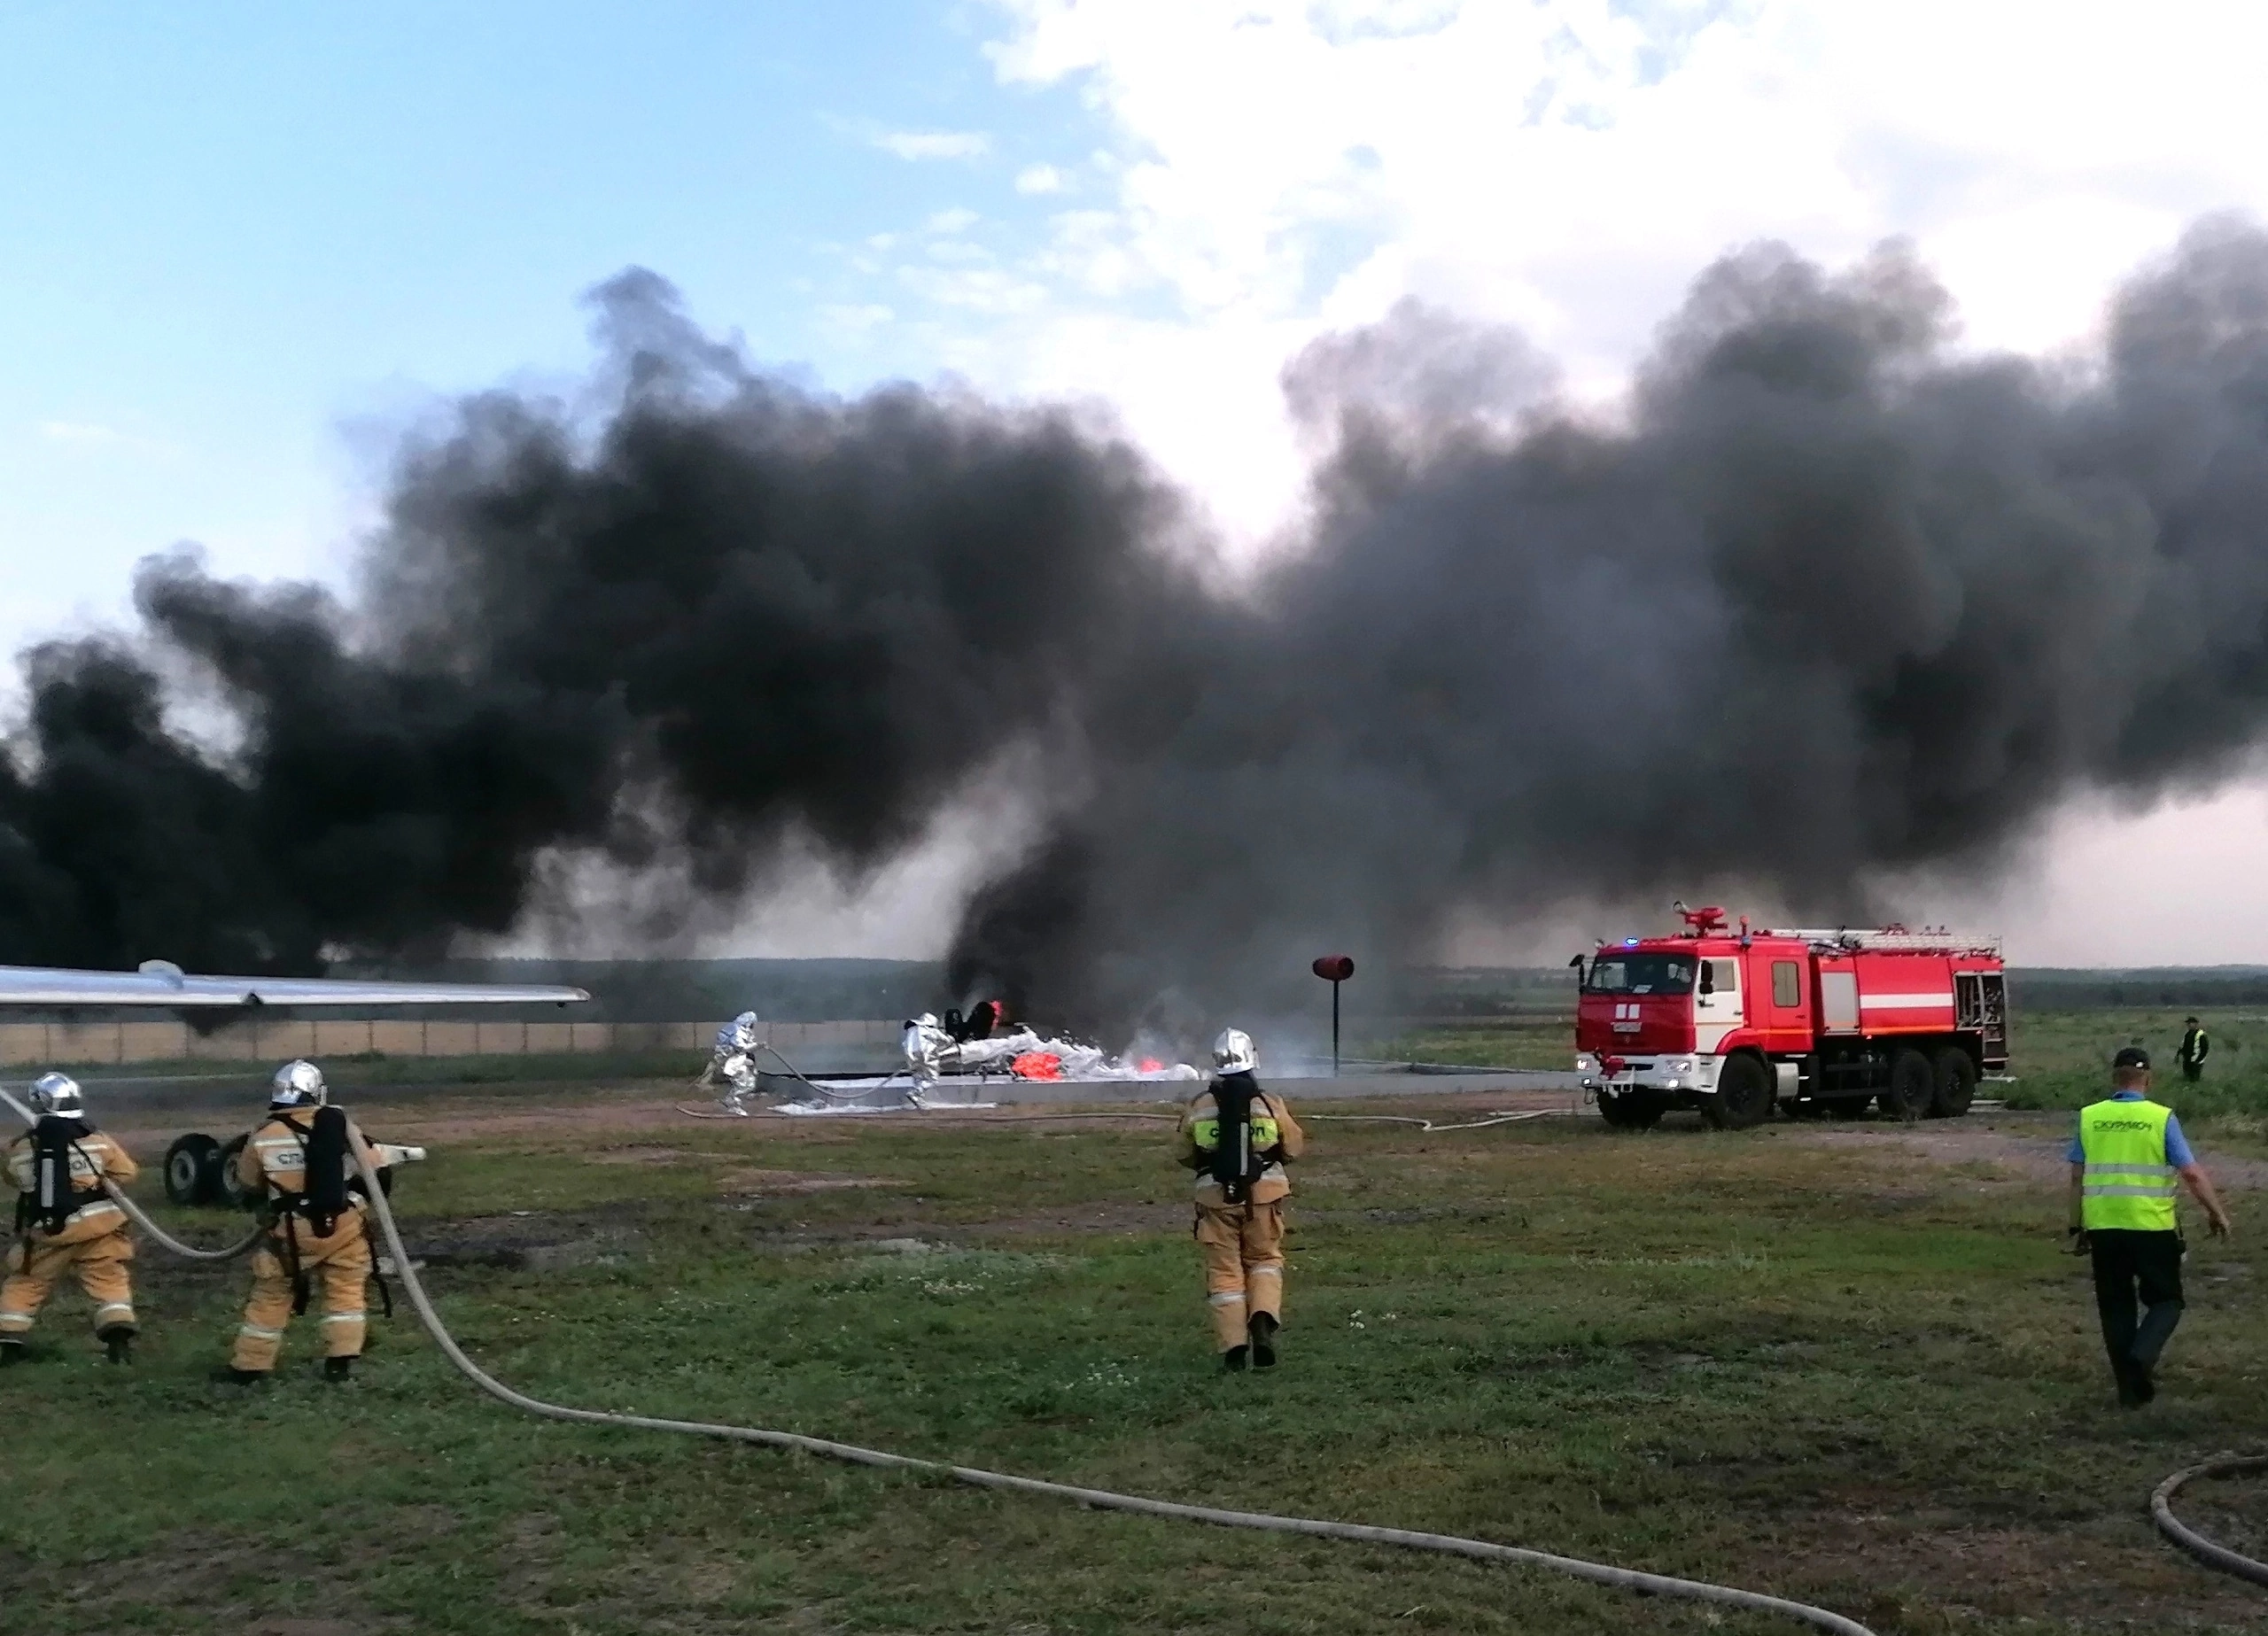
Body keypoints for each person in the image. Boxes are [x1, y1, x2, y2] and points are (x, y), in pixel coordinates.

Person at [2068, 1045, 2233, 1406]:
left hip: (2104, 1227)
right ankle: (2142, 1358)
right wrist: (2215, 1212)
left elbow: (2077, 1177)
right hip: (2152, 1228)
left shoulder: (2090, 1117)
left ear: (2115, 1078)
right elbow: (2190, 1172)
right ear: (2149, 1079)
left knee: (2116, 1307)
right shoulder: (2161, 1118)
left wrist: (2075, 1226)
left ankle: (2129, 1390)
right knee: (2168, 1300)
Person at [221, 1060, 384, 1384]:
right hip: (344, 1225)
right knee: (346, 1292)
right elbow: (375, 1167)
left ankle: (250, 1368)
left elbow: (248, 1181)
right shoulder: (342, 1127)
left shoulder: (264, 1136)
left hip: (293, 1232)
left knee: (272, 1294)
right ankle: (341, 1361)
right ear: (317, 1092)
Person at [1177, 1028, 1305, 1371]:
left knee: (1225, 1273)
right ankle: (1262, 1320)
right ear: (1253, 1060)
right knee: (1264, 1260)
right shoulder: (1269, 1103)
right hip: (1264, 1198)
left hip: (1216, 1201)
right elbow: (1293, 1148)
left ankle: (1233, 1347)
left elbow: (1184, 1155)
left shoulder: (1200, 1106)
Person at [2, 1073, 138, 1364]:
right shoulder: (97, 1140)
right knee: (109, 1281)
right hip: (99, 1229)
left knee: (26, 1283)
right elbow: (127, 1172)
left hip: (49, 1233)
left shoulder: (19, 1148)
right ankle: (118, 1340)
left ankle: (9, 1342)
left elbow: (14, 1180)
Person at [698, 1011, 762, 1115]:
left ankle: (730, 1101)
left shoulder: (738, 1029)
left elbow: (748, 1046)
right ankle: (734, 1105)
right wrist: (758, 1046)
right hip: (732, 1061)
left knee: (748, 1083)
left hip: (734, 1059)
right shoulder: (738, 1030)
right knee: (745, 1084)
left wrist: (757, 1046)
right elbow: (741, 1047)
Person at [2177, 1018, 2210, 1083]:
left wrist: (2198, 1060)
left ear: (2196, 1024)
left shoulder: (2201, 1035)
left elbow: (2205, 1049)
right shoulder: (2187, 1034)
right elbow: (2183, 1046)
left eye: (2190, 1023)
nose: (2189, 1025)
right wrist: (2178, 1055)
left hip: (2196, 1061)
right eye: (2188, 1023)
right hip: (2187, 1061)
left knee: (2194, 1080)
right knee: (2186, 1079)